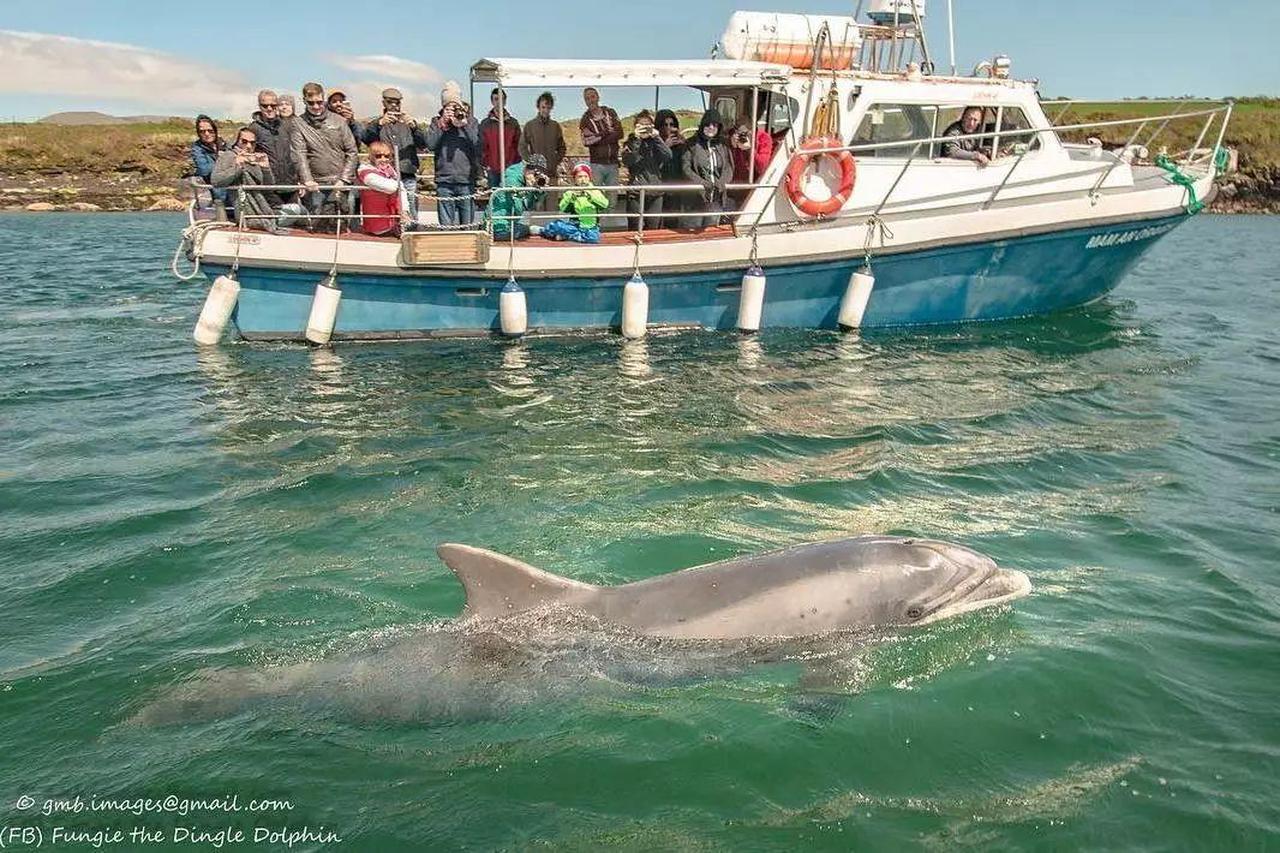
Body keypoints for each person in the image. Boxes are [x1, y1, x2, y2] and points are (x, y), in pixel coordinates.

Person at [290, 82, 359, 227]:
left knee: (342, 225)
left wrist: (344, 179)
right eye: (311, 103)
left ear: (324, 100)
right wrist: (307, 179)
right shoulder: (298, 123)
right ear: (304, 101)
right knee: (317, 226)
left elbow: (352, 151)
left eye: (319, 102)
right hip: (316, 184)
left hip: (341, 183)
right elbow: (299, 153)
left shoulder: (339, 121)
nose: (316, 107)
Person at [360, 87, 428, 222]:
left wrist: (415, 128)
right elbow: (366, 139)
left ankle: (411, 232)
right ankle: (392, 230)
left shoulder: (408, 123)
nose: (394, 105)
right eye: (390, 102)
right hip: (385, 174)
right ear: (384, 103)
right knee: (388, 207)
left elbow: (424, 144)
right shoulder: (376, 122)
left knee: (411, 207)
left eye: (397, 102)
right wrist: (379, 124)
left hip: (407, 172)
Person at [424, 81, 481, 228]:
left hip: (466, 181)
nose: (453, 110)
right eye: (449, 107)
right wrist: (443, 124)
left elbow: (478, 146)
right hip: (444, 181)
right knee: (446, 227)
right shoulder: (436, 122)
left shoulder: (471, 122)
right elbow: (430, 144)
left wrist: (465, 125)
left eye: (456, 106)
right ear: (443, 107)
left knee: (467, 226)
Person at [211, 126, 282, 232]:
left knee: (299, 210)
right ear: (236, 141)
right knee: (296, 212)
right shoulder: (228, 156)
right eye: (244, 141)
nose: (248, 146)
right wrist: (238, 166)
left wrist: (265, 168)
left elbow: (269, 188)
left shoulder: (255, 158)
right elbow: (216, 181)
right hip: (246, 212)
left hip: (265, 207)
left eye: (252, 143)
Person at [680, 108, 732, 230]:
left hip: (716, 199)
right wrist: (703, 183)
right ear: (702, 125)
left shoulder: (722, 145)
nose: (711, 127)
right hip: (695, 200)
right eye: (707, 124)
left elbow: (728, 167)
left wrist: (722, 182)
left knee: (711, 230)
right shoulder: (691, 144)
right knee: (692, 229)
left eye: (715, 125)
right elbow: (686, 168)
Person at [621, 111, 672, 230]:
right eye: (641, 125)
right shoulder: (630, 142)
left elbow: (668, 156)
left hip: (655, 192)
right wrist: (637, 140)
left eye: (647, 125)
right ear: (635, 127)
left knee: (653, 227)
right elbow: (628, 161)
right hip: (636, 193)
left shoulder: (656, 143)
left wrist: (657, 137)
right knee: (634, 226)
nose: (644, 128)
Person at [248, 90, 298, 205]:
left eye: (273, 105)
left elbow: (296, 153)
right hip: (269, 187)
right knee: (276, 220)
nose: (269, 108)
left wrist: (300, 179)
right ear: (259, 106)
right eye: (265, 106)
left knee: (296, 219)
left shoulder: (286, 126)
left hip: (291, 186)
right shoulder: (253, 129)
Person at [520, 92, 567, 210]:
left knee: (552, 209)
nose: (545, 110)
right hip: (536, 176)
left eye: (548, 107)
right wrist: (532, 162)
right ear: (538, 107)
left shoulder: (555, 126)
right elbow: (522, 147)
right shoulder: (530, 125)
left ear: (551, 108)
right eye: (543, 107)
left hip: (552, 174)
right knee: (537, 209)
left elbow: (562, 147)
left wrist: (555, 161)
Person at [579, 88, 622, 214]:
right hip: (596, 164)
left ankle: (611, 226)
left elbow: (619, 133)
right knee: (595, 197)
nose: (590, 100)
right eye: (587, 98)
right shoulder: (585, 119)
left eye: (592, 96)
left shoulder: (610, 113)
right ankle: (597, 225)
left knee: (612, 199)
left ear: (597, 97)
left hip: (613, 163)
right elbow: (587, 141)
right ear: (585, 101)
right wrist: (607, 133)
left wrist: (598, 136)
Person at [543, 163, 609, 244]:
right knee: (557, 225)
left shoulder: (595, 191)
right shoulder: (570, 192)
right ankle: (542, 231)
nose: (583, 179)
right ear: (575, 179)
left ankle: (567, 236)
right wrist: (571, 198)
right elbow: (562, 208)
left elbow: (605, 204)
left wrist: (590, 196)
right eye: (580, 177)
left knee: (593, 238)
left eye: (585, 176)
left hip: (590, 228)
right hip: (574, 225)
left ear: (589, 178)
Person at [487, 154, 549, 240]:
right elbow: (517, 204)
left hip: (510, 222)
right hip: (498, 226)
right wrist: (527, 189)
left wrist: (541, 192)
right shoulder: (512, 176)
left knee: (526, 228)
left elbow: (535, 206)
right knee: (527, 229)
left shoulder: (528, 180)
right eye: (535, 174)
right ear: (528, 169)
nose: (535, 178)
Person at [356, 140, 408, 237]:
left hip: (393, 224)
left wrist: (404, 210)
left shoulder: (390, 171)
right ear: (371, 157)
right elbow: (392, 188)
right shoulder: (366, 173)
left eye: (387, 156)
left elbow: (401, 190)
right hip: (377, 226)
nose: (383, 159)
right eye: (378, 156)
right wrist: (399, 184)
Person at [190, 115, 231, 218]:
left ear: (215, 130)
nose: (207, 134)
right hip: (218, 193)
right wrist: (222, 161)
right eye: (202, 131)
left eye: (210, 130)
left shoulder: (225, 145)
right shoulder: (197, 149)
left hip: (234, 190)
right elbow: (204, 170)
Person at [480, 88, 521, 189]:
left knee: (509, 198)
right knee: (494, 199)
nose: (499, 102)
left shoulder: (513, 123)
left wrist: (515, 165)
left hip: (510, 169)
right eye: (496, 99)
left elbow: (519, 145)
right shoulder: (485, 124)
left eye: (502, 99)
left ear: (505, 101)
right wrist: (486, 164)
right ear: (492, 101)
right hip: (492, 169)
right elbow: (482, 146)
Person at [728, 121, 773, 208]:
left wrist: (749, 150)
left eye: (746, 133)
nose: (743, 136)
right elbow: (727, 165)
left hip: (755, 186)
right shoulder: (731, 138)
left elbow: (762, 168)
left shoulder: (763, 138)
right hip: (733, 185)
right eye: (740, 133)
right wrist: (731, 147)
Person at [655, 109, 687, 225]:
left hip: (675, 183)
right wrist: (665, 147)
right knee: (656, 218)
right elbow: (654, 164)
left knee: (672, 218)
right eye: (665, 124)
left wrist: (685, 144)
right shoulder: (655, 142)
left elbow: (687, 162)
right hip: (659, 183)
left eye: (672, 124)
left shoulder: (680, 141)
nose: (669, 128)